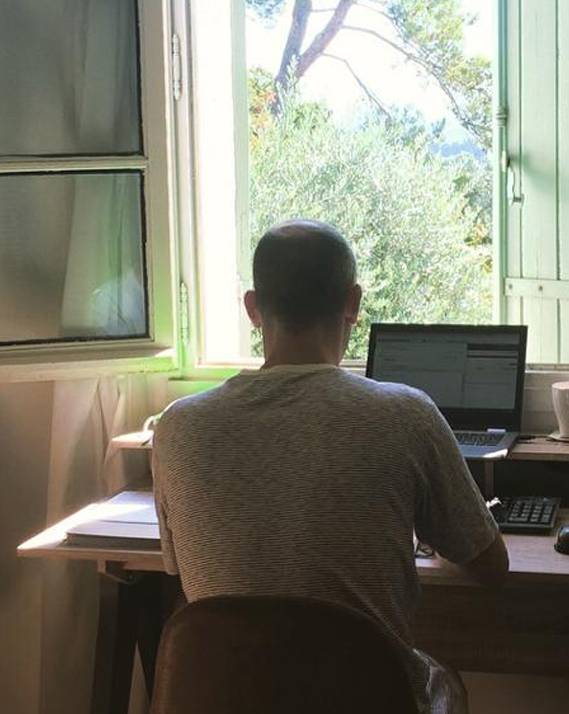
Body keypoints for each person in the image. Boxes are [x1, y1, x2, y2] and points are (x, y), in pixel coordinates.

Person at [151, 219, 508, 714]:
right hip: (365, 699)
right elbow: (490, 567)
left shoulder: (177, 427)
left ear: (253, 309)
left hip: (231, 699)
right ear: (353, 302)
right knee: (444, 679)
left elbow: (181, 574)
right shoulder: (404, 413)